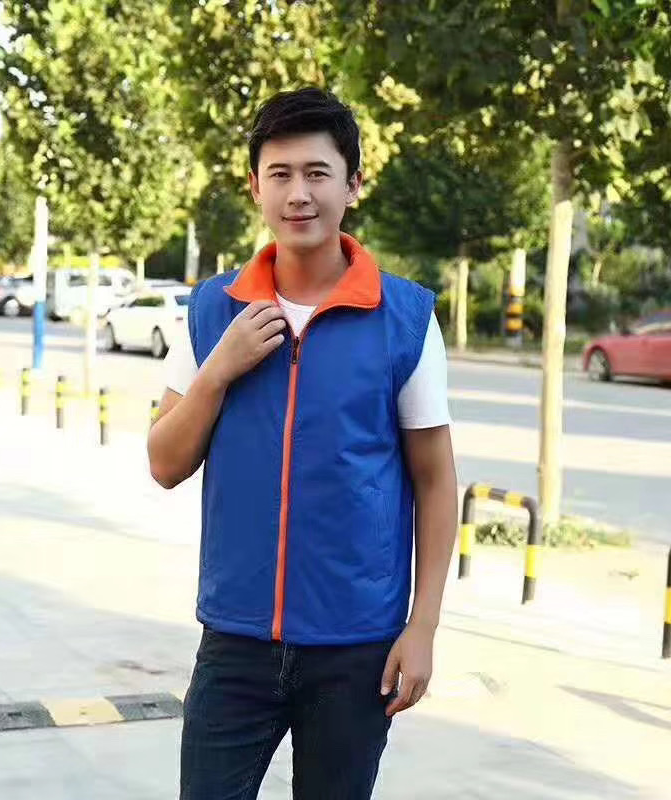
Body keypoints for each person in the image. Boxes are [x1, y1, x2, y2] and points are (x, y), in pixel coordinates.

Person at [148, 87, 458, 800]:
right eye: (280, 174)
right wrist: (219, 369)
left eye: (318, 173)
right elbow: (165, 463)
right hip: (236, 641)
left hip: (357, 648)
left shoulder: (405, 318)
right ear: (254, 187)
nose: (298, 194)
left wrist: (423, 627)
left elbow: (436, 481)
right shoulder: (213, 310)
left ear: (353, 185)